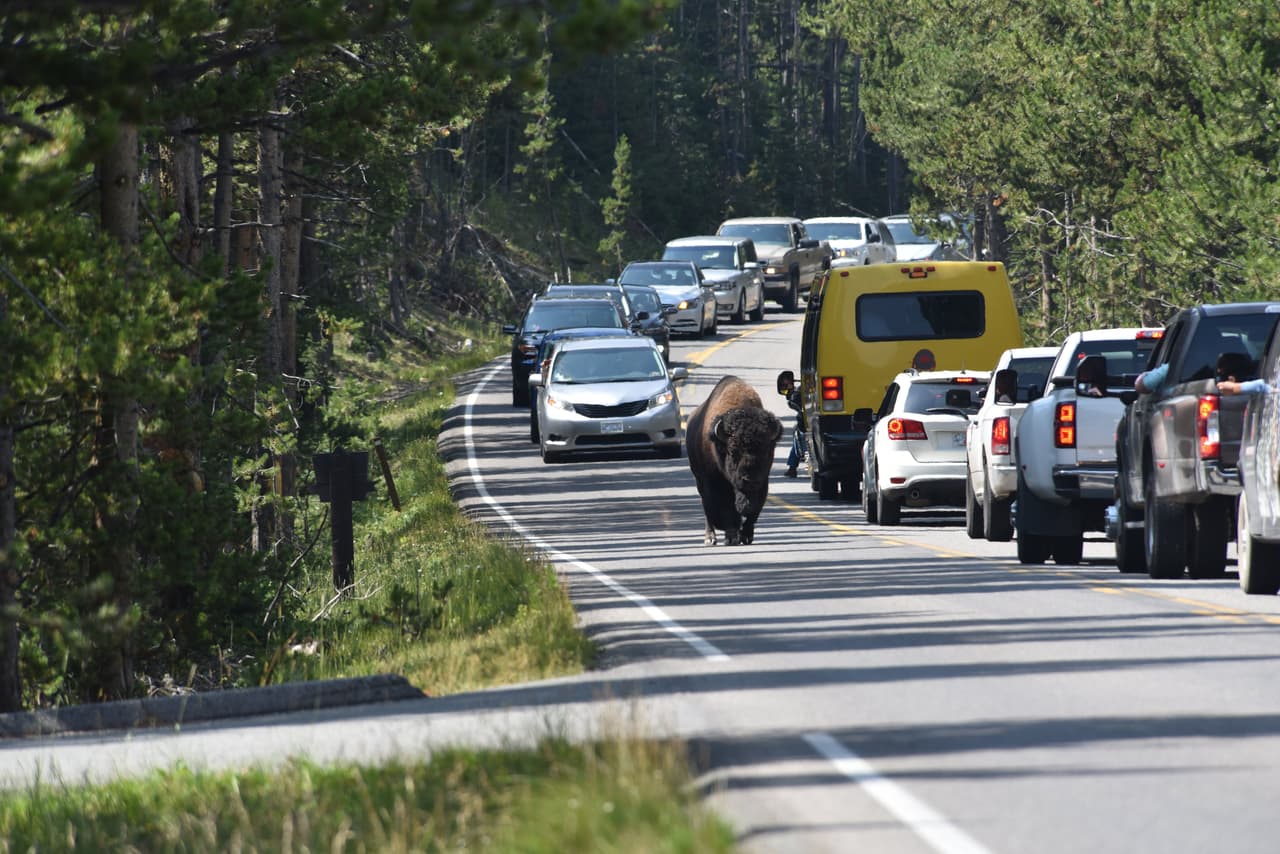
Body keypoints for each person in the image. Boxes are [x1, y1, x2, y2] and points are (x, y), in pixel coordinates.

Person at [784, 385, 805, 477]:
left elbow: (794, 400)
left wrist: (794, 392)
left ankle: (792, 467)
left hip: (807, 425)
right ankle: (792, 468)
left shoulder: (810, 383)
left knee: (798, 436)